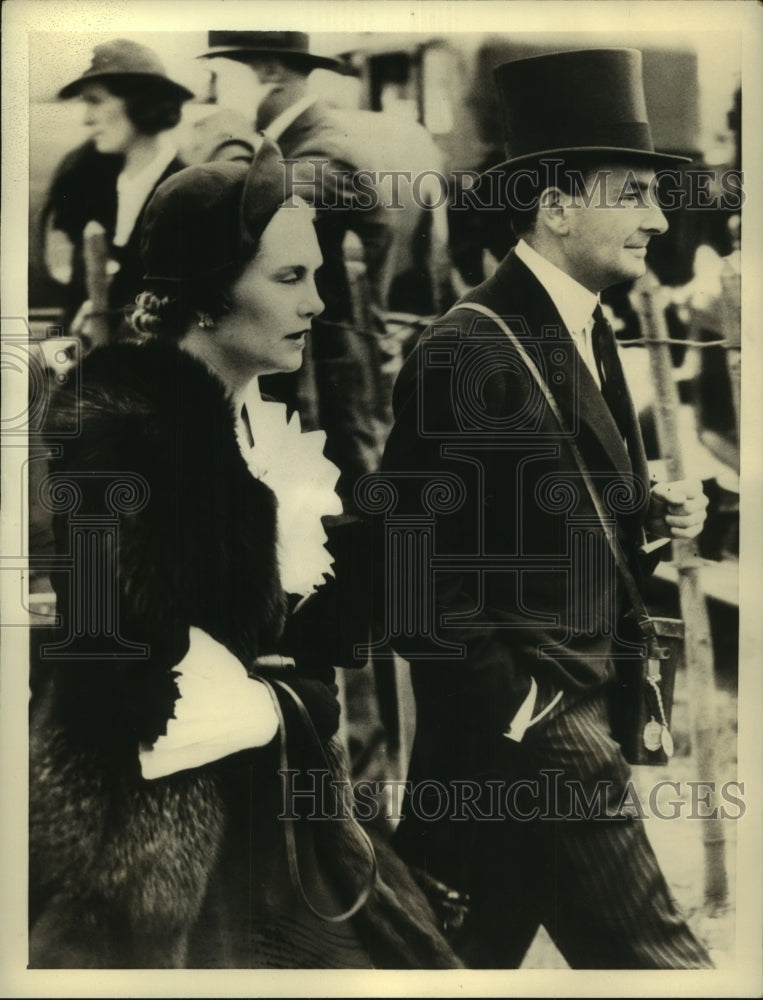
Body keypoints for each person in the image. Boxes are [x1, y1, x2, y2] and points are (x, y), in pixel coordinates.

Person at [28, 138, 461, 970]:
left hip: (278, 807)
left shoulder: (257, 422)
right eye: (291, 278)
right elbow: (109, 665)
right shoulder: (116, 431)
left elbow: (310, 626)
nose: (320, 304)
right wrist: (280, 699)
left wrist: (417, 513)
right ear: (206, 297)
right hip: (154, 832)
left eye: (317, 275)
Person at [377, 48, 714, 968]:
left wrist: (645, 509)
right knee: (663, 965)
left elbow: (534, 506)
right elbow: (416, 578)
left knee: (446, 962)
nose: (656, 217)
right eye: (633, 193)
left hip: (533, 734)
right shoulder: (465, 351)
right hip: (542, 736)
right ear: (556, 203)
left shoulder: (584, 323)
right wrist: (525, 716)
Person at [199, 30, 452, 506]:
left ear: (268, 72)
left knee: (353, 518)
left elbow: (240, 200)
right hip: (310, 375)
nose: (209, 98)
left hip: (335, 385)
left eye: (218, 79)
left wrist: (222, 135)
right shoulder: (292, 142)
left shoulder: (327, 147)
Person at [40, 38, 193, 344]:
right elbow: (76, 298)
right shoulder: (92, 185)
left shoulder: (188, 194)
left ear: (140, 102)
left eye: (95, 101)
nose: (86, 119)